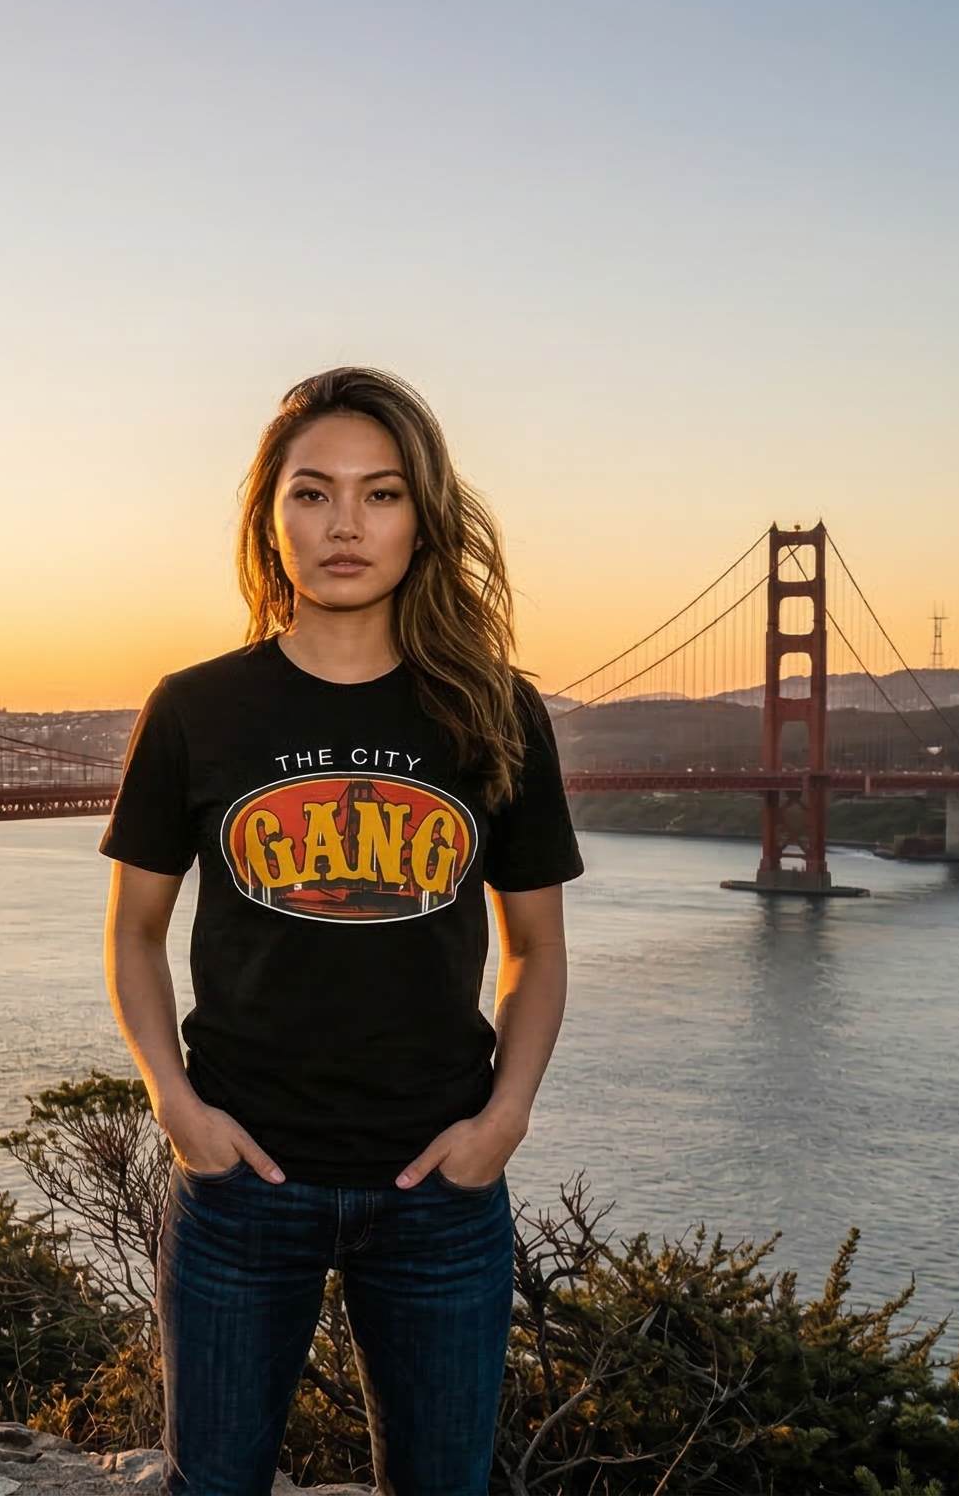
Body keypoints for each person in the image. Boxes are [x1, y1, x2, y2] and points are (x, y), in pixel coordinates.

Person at [98, 365, 584, 1496]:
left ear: (424, 520)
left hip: (439, 1191)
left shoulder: (495, 714)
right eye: (313, 494)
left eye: (381, 493)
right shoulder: (194, 708)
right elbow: (133, 935)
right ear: (270, 522)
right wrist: (176, 1106)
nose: (346, 525)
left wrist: (501, 1122)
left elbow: (537, 951)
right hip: (239, 1183)